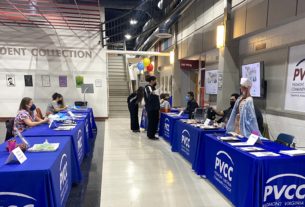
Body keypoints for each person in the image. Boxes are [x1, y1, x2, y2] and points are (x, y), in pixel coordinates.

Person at [144, 75, 160, 140]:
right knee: (152, 121)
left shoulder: (153, 87)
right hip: (151, 108)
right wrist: (155, 93)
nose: (156, 81)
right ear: (151, 81)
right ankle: (150, 135)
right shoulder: (148, 87)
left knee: (155, 121)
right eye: (155, 80)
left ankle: (152, 134)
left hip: (155, 107)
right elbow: (149, 96)